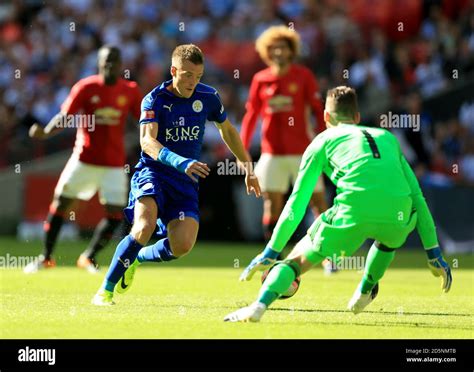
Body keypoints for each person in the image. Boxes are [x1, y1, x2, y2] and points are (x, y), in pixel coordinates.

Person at [224, 86, 452, 322]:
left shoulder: (321, 141)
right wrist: (433, 252)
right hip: (399, 217)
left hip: (352, 212)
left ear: (325, 117)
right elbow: (418, 197)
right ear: (357, 117)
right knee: (387, 239)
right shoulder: (388, 138)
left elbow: (297, 202)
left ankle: (259, 306)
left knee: (295, 262)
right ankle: (366, 288)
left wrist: (271, 251)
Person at [92, 44, 261, 306]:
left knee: (181, 246)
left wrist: (247, 165)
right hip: (153, 173)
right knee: (144, 227)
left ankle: (137, 257)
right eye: (187, 75)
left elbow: (227, 130)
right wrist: (179, 161)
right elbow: (147, 142)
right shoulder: (154, 99)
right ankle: (105, 290)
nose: (193, 82)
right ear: (173, 71)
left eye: (198, 76)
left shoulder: (208, 97)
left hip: (185, 182)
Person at [24, 45, 142, 274]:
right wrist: (47, 132)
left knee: (115, 214)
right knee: (60, 204)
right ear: (98, 63)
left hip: (114, 164)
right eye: (106, 61)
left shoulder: (130, 90)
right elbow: (65, 116)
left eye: (114, 61)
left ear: (121, 65)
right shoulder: (86, 87)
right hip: (84, 159)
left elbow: (143, 120)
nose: (110, 65)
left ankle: (88, 257)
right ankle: (46, 257)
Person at [240, 25, 333, 272]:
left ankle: (328, 256)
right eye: (273, 48)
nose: (278, 52)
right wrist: (242, 147)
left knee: (318, 203)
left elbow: (317, 109)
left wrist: (325, 139)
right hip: (271, 153)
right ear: (266, 52)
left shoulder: (303, 76)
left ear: (291, 50)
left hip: (303, 152)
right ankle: (273, 256)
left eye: (282, 47)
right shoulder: (261, 79)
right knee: (272, 204)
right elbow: (251, 115)